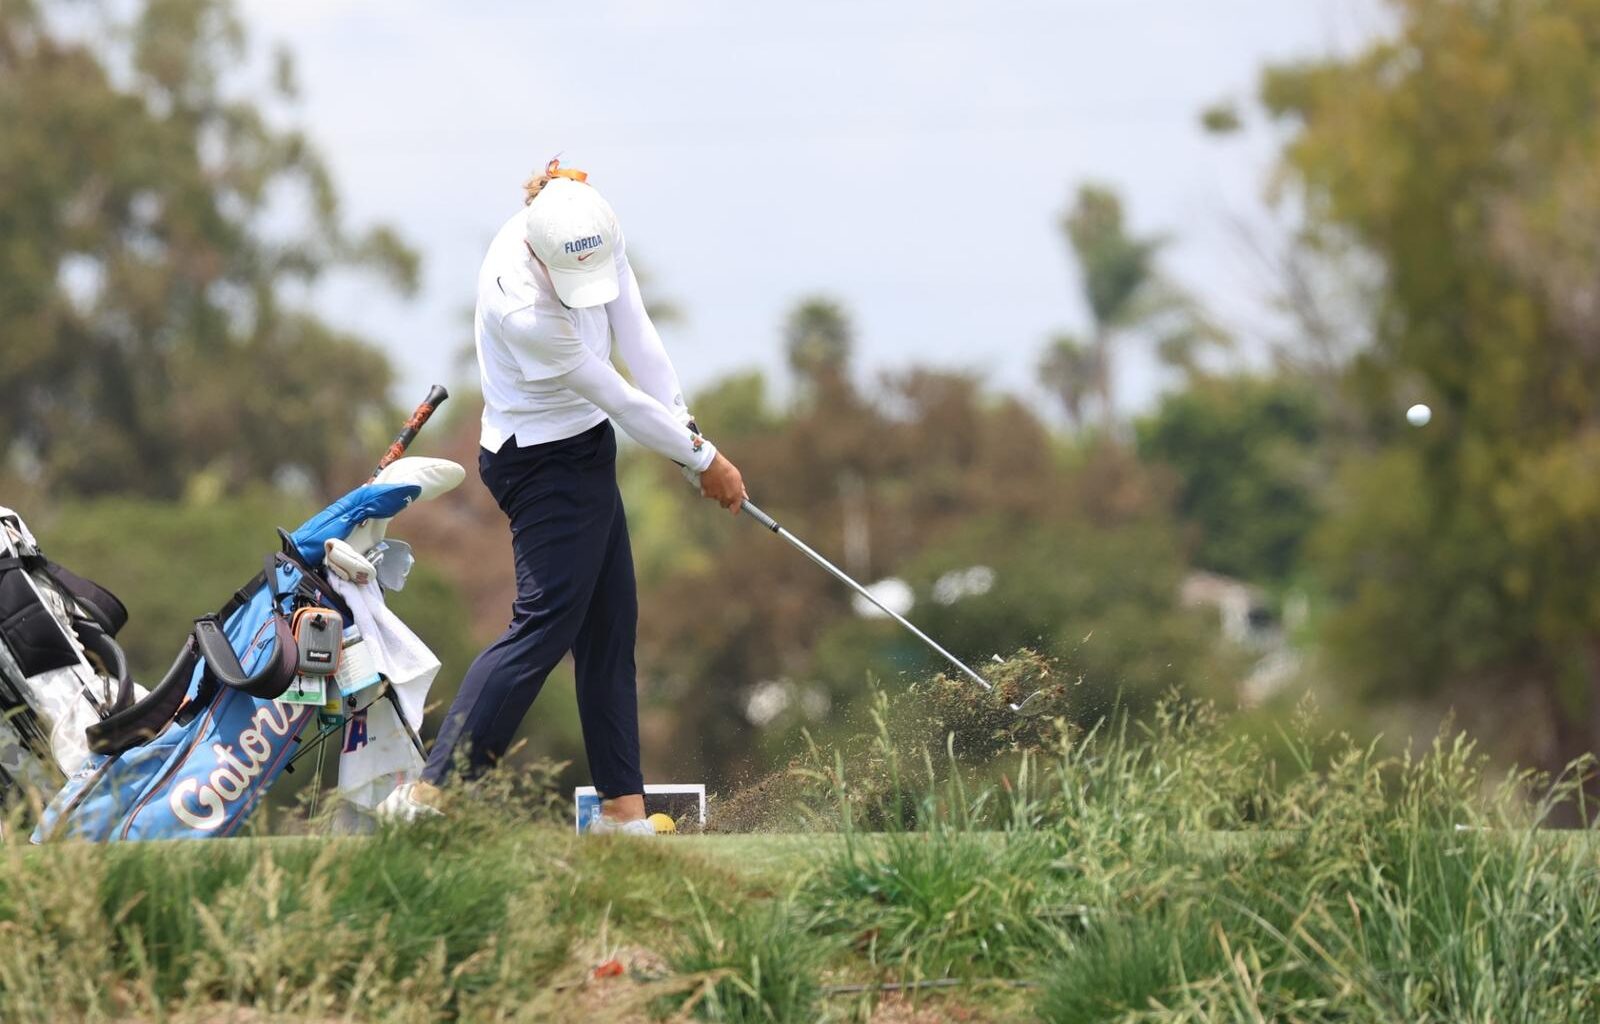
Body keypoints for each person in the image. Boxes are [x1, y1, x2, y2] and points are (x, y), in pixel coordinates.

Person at [383, 160, 746, 834]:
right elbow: (619, 395)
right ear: (539, 253)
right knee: (544, 627)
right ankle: (429, 798)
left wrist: (689, 430)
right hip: (538, 461)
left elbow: (638, 336)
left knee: (610, 627)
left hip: (585, 446)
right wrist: (702, 460)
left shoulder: (590, 224)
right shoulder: (520, 304)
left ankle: (623, 815)